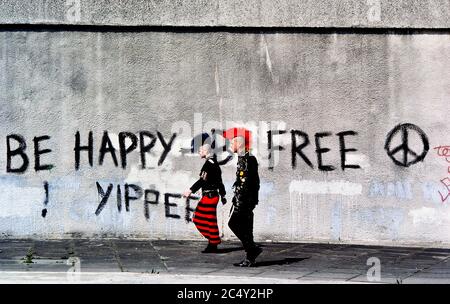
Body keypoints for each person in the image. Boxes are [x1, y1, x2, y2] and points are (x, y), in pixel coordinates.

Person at [223, 128, 262, 267]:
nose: (229, 146)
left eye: (231, 143)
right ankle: (250, 256)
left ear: (238, 143)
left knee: (234, 224)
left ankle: (252, 249)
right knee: (245, 229)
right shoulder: (243, 158)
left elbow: (249, 183)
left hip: (245, 201)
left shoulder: (248, 159)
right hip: (244, 200)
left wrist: (242, 200)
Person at [183, 133, 227, 253]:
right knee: (207, 220)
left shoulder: (209, 164)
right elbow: (219, 180)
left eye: (200, 149)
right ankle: (212, 242)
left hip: (210, 197)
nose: (198, 151)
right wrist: (223, 195)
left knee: (201, 219)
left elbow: (202, 181)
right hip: (212, 196)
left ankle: (213, 243)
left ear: (205, 149)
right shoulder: (213, 162)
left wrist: (190, 190)